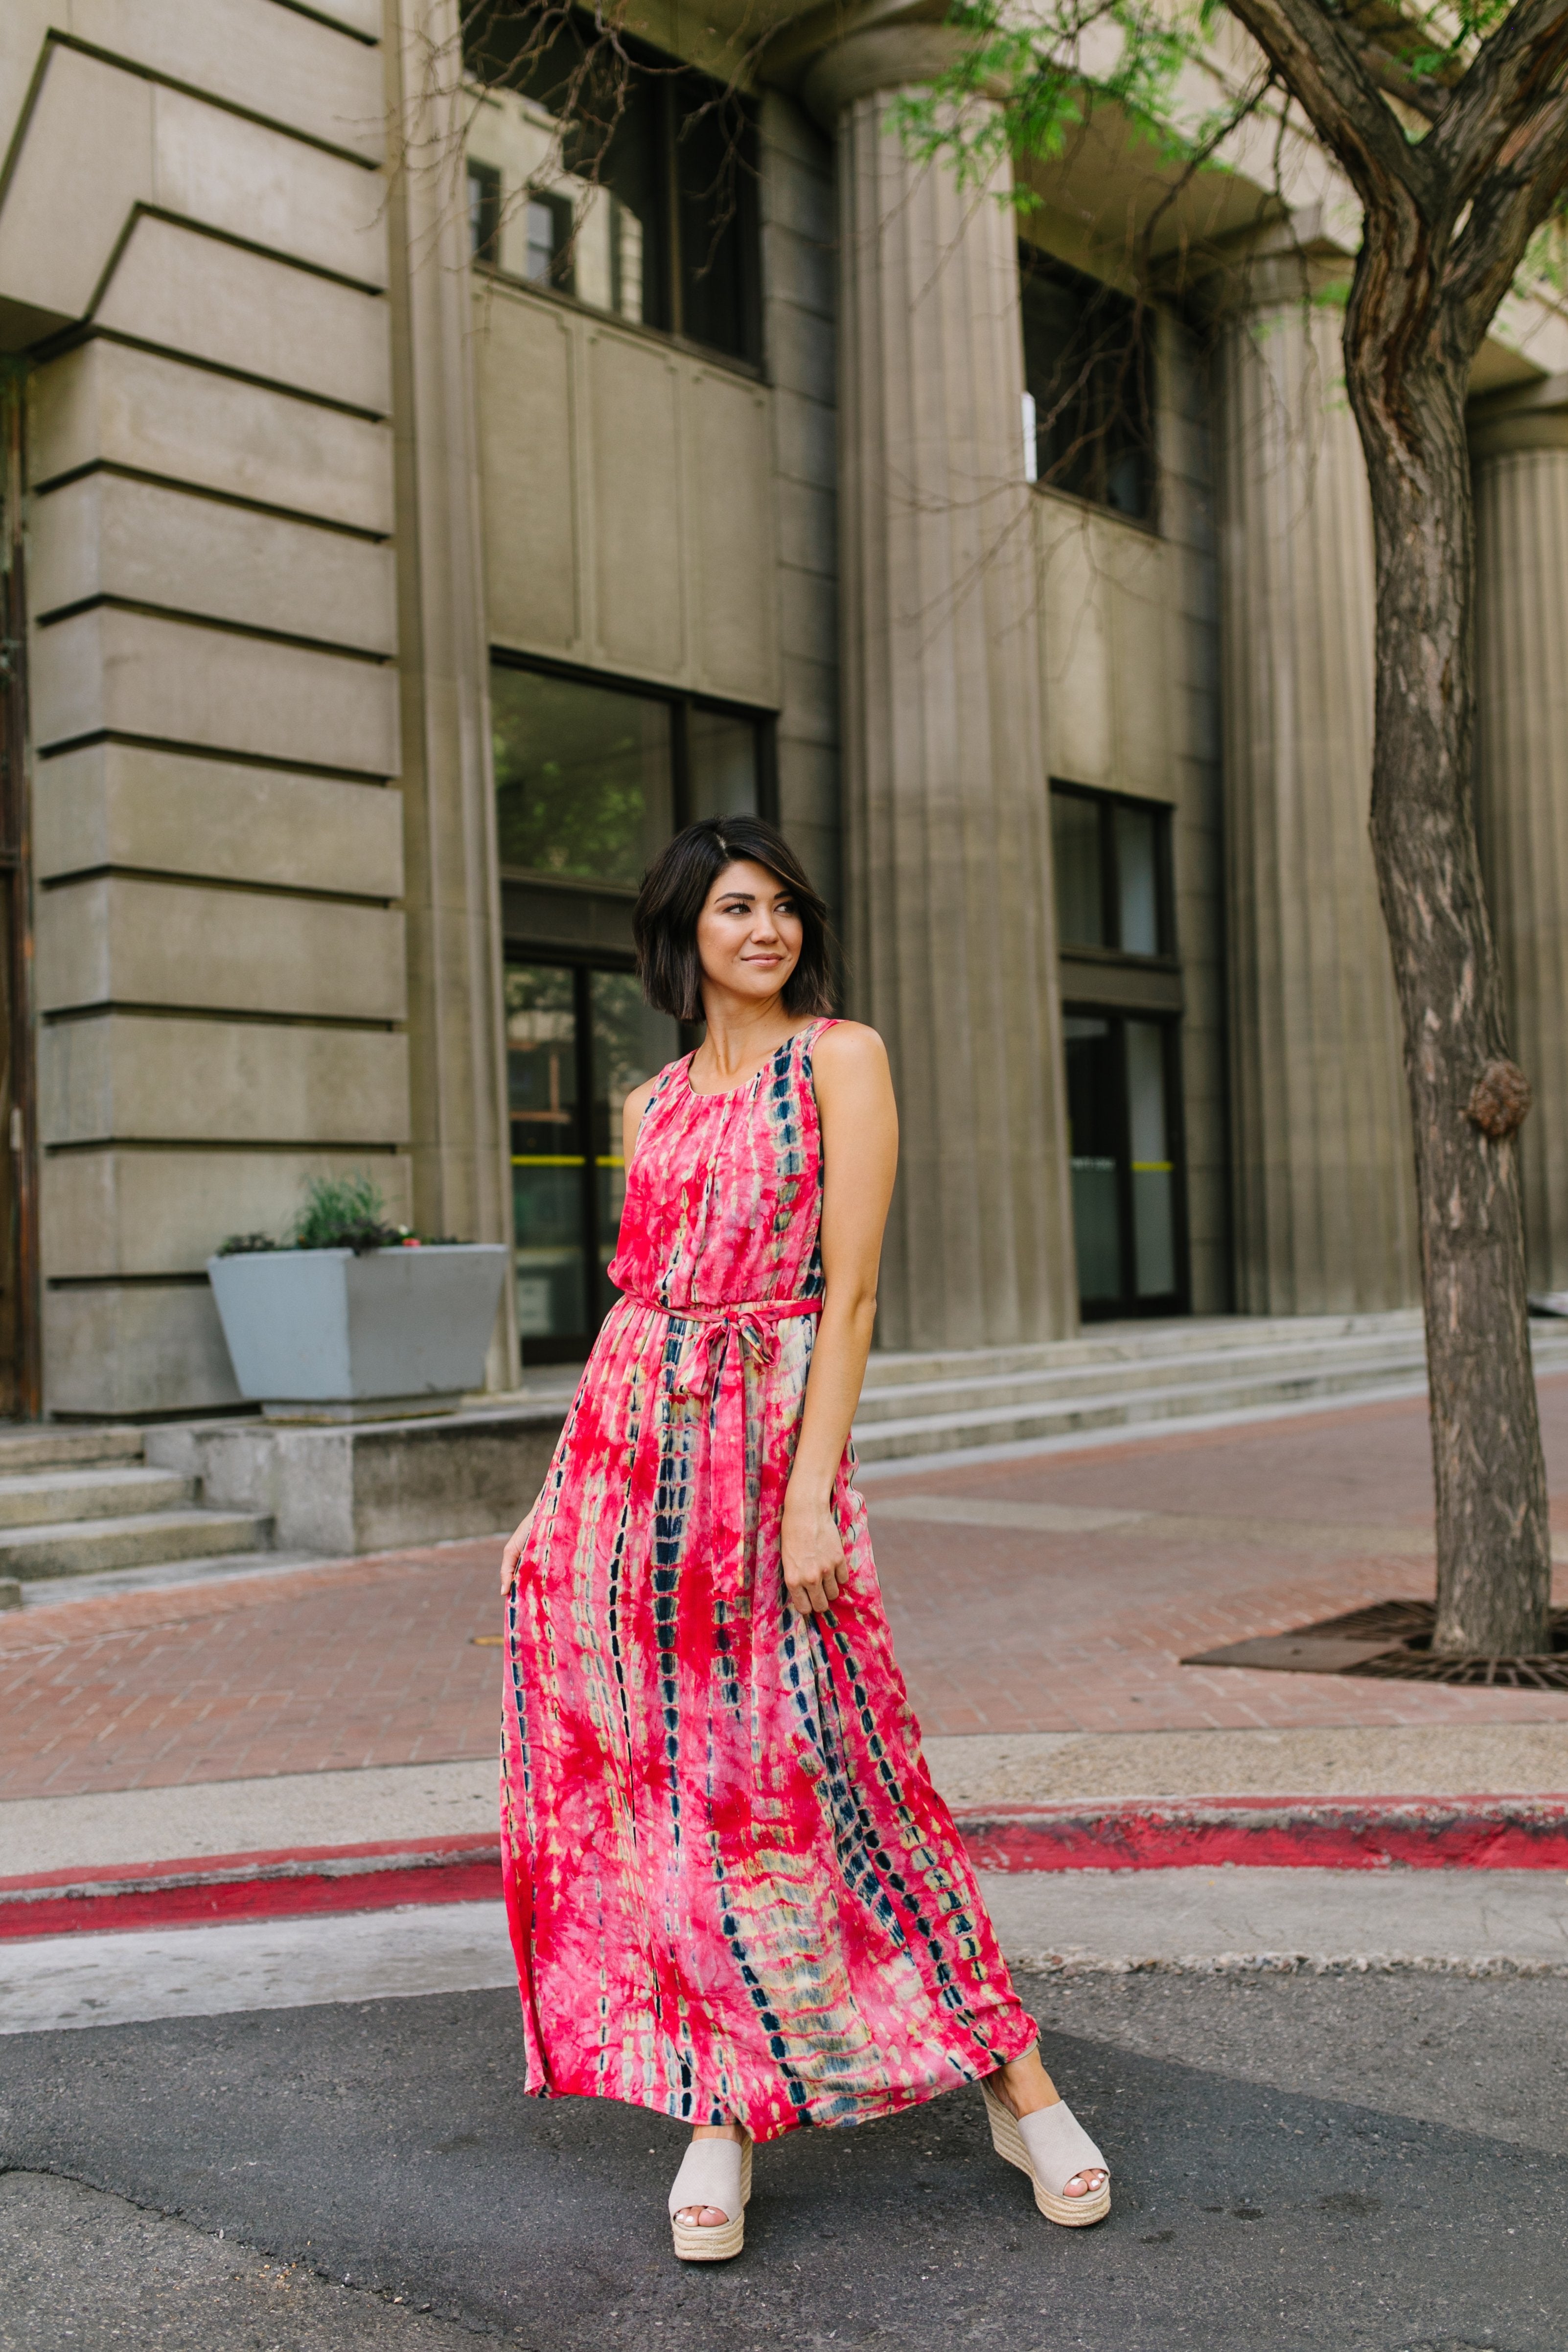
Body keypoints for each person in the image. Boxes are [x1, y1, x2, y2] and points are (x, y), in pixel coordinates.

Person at [498, 815, 1108, 2260]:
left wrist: (806, 1491)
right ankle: (722, 2108)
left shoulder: (839, 1058)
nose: (764, 929)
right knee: (679, 1795)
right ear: (682, 933)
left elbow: (851, 1294)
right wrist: (552, 1495)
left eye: (779, 906)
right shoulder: (649, 1101)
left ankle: (1017, 2083)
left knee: (848, 1771)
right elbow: (635, 1308)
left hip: (772, 1452)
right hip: (631, 1469)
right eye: (733, 908)